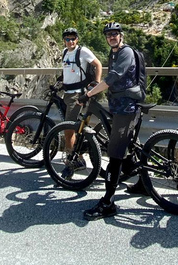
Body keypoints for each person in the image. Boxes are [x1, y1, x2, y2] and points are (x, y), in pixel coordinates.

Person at [78, 22, 145, 221]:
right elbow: (108, 78)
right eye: (109, 35)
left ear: (121, 35)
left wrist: (89, 93)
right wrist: (95, 84)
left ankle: (108, 203)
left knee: (115, 153)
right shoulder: (114, 53)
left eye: (115, 34)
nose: (112, 37)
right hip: (119, 105)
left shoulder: (125, 53)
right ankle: (144, 182)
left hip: (127, 107)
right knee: (129, 145)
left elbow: (113, 78)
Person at [59, 27, 102, 171]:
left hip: (77, 95)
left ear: (77, 39)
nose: (70, 41)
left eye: (73, 38)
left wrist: (95, 83)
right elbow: (67, 71)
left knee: (68, 128)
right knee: (73, 127)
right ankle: (78, 156)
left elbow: (98, 64)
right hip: (67, 94)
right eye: (67, 39)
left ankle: (74, 160)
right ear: (64, 41)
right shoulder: (65, 52)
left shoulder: (82, 51)